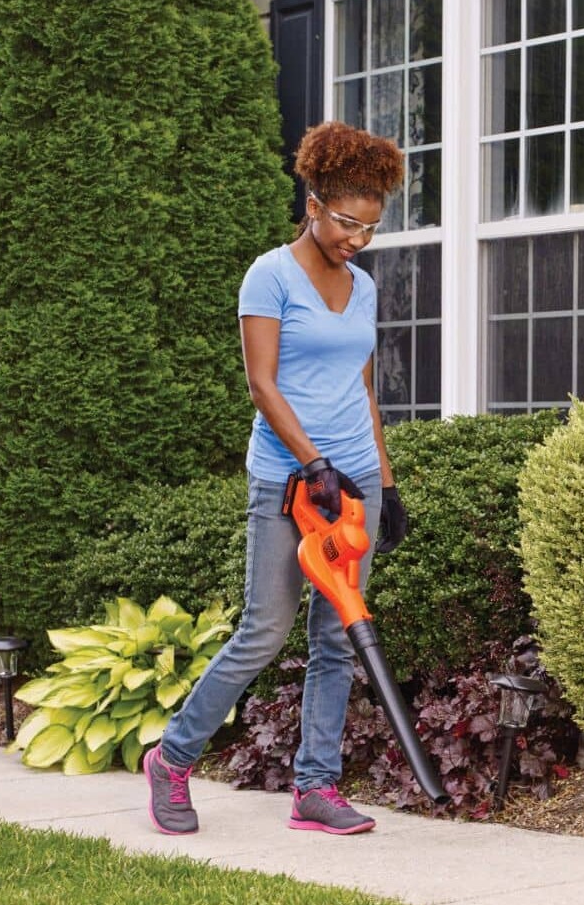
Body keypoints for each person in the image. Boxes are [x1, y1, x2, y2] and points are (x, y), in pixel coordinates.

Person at [144, 122, 409, 837]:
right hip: (289, 482)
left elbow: (362, 387)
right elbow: (262, 385)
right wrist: (313, 463)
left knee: (336, 638)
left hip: (353, 483)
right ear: (314, 202)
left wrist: (381, 477)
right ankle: (171, 759)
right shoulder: (270, 275)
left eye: (371, 227)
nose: (357, 238)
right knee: (264, 630)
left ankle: (314, 787)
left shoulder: (363, 287)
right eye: (347, 222)